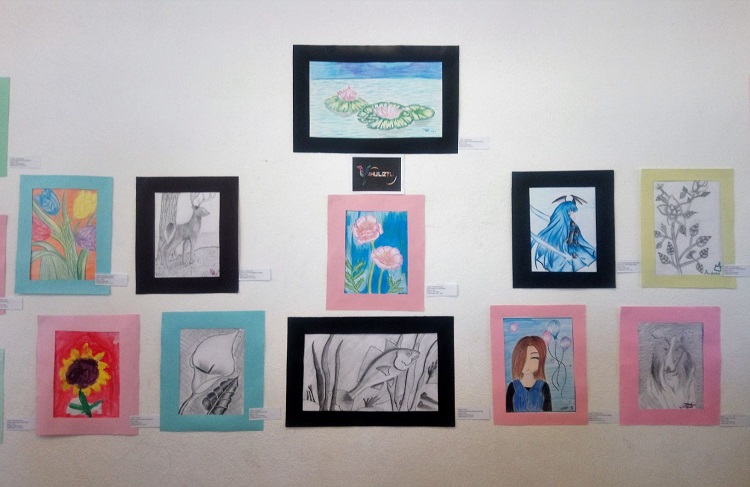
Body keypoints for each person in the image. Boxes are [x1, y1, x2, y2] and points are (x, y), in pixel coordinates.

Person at [533, 197, 596, 272]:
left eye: (573, 212)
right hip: (566, 251)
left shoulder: (570, 224)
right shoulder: (564, 223)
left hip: (572, 249)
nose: (574, 215)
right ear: (566, 213)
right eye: (571, 212)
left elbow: (574, 239)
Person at [506, 336, 552, 412]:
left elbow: (548, 414)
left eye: (534, 358)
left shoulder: (544, 387)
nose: (528, 364)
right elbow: (508, 413)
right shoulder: (512, 387)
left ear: (541, 360)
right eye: (523, 358)